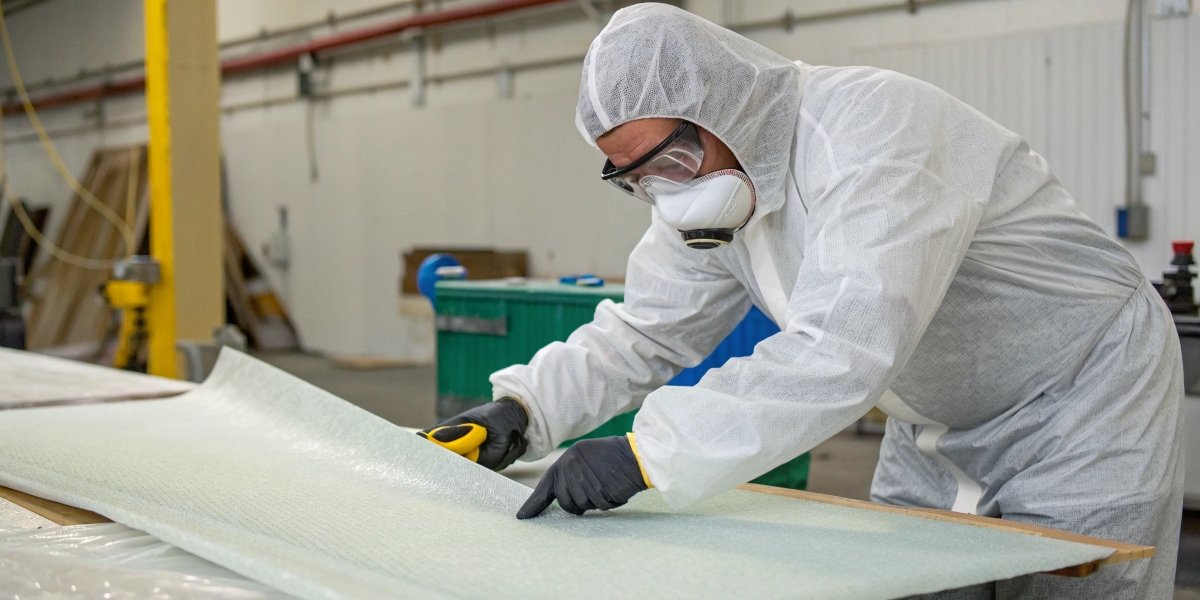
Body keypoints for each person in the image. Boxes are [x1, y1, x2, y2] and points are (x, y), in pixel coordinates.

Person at [421, 4, 1182, 597]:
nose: (668, 192)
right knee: (911, 585)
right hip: (931, 414)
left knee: (1074, 588)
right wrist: (524, 410)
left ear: (727, 103)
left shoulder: (874, 134)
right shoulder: (709, 198)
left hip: (1078, 392)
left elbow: (842, 343)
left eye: (676, 158)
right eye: (637, 178)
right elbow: (643, 331)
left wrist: (647, 453)